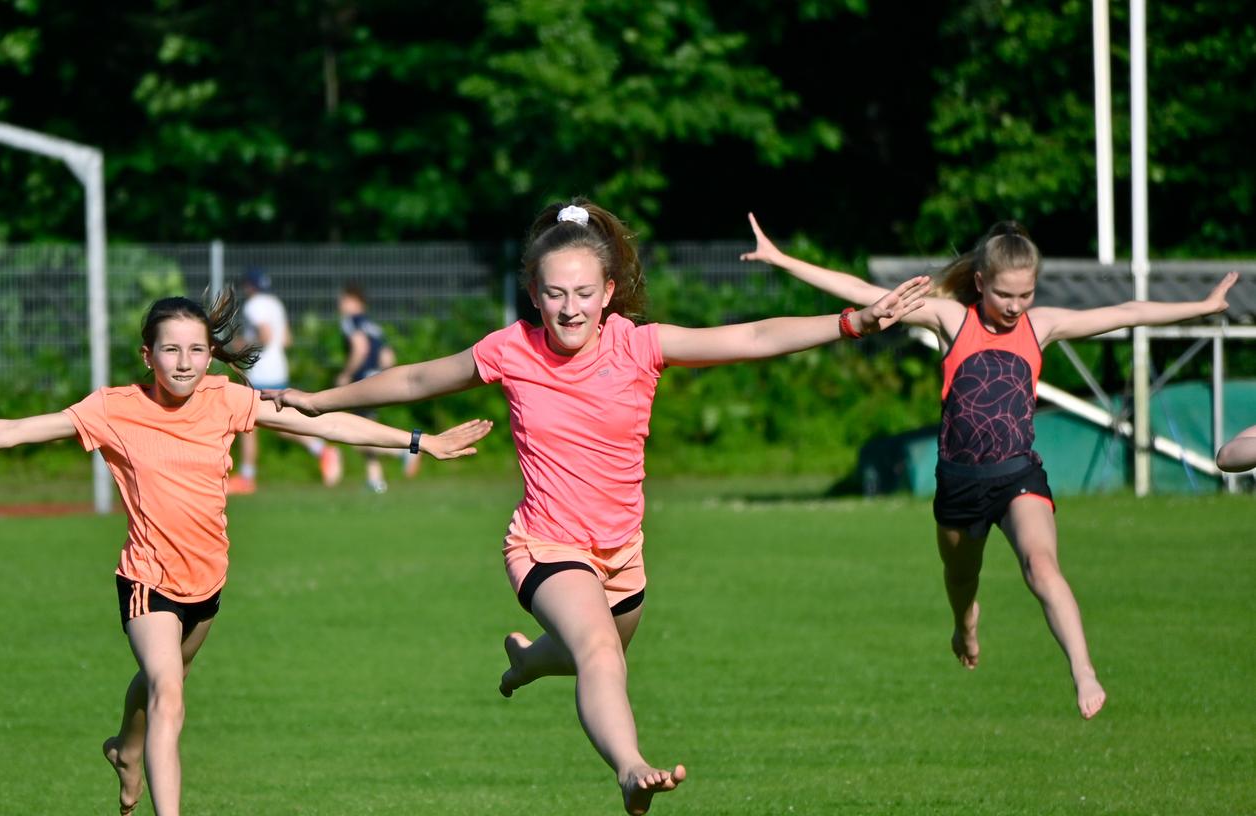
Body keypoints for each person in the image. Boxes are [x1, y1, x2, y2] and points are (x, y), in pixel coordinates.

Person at [267, 199, 929, 814]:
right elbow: (415, 378)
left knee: (594, 649)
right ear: (534, 294)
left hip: (623, 555)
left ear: (609, 294)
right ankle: (630, 769)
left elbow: (752, 338)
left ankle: (528, 661)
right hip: (547, 547)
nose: (570, 307)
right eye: (554, 294)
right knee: (601, 655)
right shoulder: (511, 351)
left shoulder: (641, 345)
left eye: (584, 293)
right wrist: (322, 401)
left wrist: (852, 322)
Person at [0, 293, 492, 816]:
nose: (184, 362)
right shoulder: (113, 410)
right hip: (146, 582)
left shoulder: (225, 399)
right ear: (146, 354)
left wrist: (418, 442)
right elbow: (12, 430)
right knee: (170, 696)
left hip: (207, 585)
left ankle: (125, 749)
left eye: (196, 350)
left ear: (211, 355)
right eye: (171, 350)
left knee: (158, 686)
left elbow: (317, 420)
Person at [741, 214, 1239, 720]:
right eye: (1005, 295)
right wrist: (782, 259)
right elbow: (861, 289)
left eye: (1026, 295)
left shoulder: (1041, 326)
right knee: (961, 581)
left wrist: (1202, 306)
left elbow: (1127, 311)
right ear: (980, 283)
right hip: (958, 482)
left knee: (1042, 567)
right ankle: (966, 625)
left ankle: (1083, 669)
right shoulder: (951, 320)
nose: (1016, 307)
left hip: (1018, 476)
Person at [227, 267, 343, 493]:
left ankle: (247, 477)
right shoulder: (276, 304)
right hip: (278, 368)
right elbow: (287, 339)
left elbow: (266, 336)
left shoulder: (254, 305)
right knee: (278, 424)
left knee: (246, 423)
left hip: (261, 372)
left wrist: (238, 347)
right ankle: (323, 450)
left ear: (250, 287)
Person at [336, 283, 420, 492]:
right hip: (376, 380)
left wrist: (346, 374)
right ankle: (375, 481)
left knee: (355, 435)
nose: (340, 304)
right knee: (366, 430)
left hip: (361, 380)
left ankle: (404, 451)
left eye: (342, 300)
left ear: (353, 300)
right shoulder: (373, 326)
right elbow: (388, 357)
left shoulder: (350, 322)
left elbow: (360, 347)